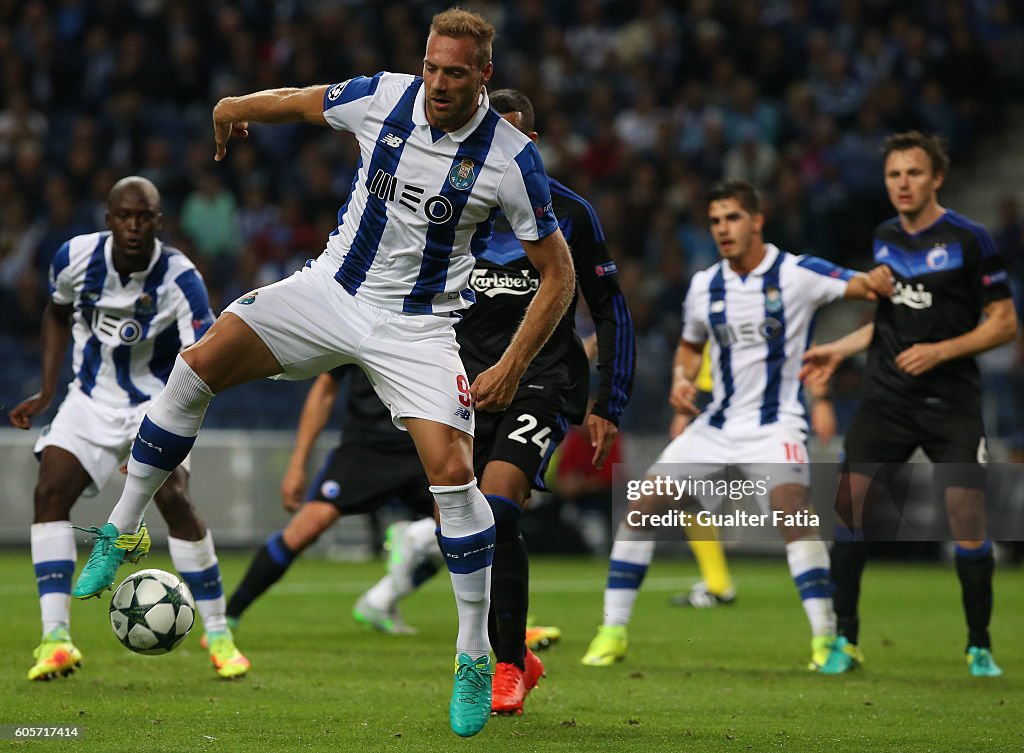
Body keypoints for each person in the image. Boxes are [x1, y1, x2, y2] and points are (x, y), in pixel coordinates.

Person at [71, 9, 576, 738]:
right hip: (331, 291)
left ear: (483, 76)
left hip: (419, 327)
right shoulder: (386, 97)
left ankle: (472, 655)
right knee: (196, 366)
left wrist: (510, 362)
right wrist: (232, 108)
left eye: (455, 73)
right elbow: (306, 99)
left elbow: (556, 276)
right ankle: (122, 528)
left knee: (455, 478)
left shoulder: (510, 159)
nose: (437, 82)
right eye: (432, 66)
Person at [353, 87, 635, 715]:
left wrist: (609, 400)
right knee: (471, 522)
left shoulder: (570, 212)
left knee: (500, 511)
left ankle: (503, 664)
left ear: (528, 147)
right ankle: (515, 654)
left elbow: (609, 306)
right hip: (462, 386)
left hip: (542, 383)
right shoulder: (448, 208)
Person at [580, 179, 892, 670]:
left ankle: (825, 639)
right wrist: (683, 381)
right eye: (716, 221)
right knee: (640, 508)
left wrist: (855, 326)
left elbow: (872, 289)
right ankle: (612, 632)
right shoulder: (706, 284)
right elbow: (689, 346)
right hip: (716, 423)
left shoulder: (797, 273)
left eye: (732, 218)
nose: (723, 229)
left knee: (792, 511)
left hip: (776, 425)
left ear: (757, 220)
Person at [9, 176, 249, 681]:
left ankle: (219, 632)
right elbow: (55, 313)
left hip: (154, 404)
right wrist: (48, 390)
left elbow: (201, 357)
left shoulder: (181, 277)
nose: (134, 226)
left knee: (175, 499)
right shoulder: (74, 257)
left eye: (145, 217)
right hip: (90, 401)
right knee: (49, 490)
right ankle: (55, 639)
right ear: (109, 219)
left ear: (159, 222)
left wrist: (153, 443)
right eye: (125, 216)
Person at [800, 131, 1018, 677]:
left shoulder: (970, 239)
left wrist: (941, 350)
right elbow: (891, 322)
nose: (902, 183)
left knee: (967, 522)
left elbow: (1005, 323)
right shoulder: (883, 237)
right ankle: (845, 642)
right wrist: (839, 349)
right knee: (848, 513)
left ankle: (978, 646)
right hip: (886, 399)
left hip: (952, 401)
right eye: (894, 174)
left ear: (936, 177)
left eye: (913, 173)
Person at [224, 365, 434, 635]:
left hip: (427, 443)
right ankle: (227, 618)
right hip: (366, 447)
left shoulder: (448, 324)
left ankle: (385, 595)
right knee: (305, 530)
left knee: (467, 530)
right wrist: (297, 464)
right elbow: (324, 388)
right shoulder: (358, 323)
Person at [668, 345, 837, 608]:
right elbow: (693, 344)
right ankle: (717, 584)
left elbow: (802, 335)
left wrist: (821, 398)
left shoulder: (770, 303)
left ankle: (822, 574)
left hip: (768, 398)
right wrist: (683, 408)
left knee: (789, 495)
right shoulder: (704, 302)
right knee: (688, 492)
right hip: (712, 397)